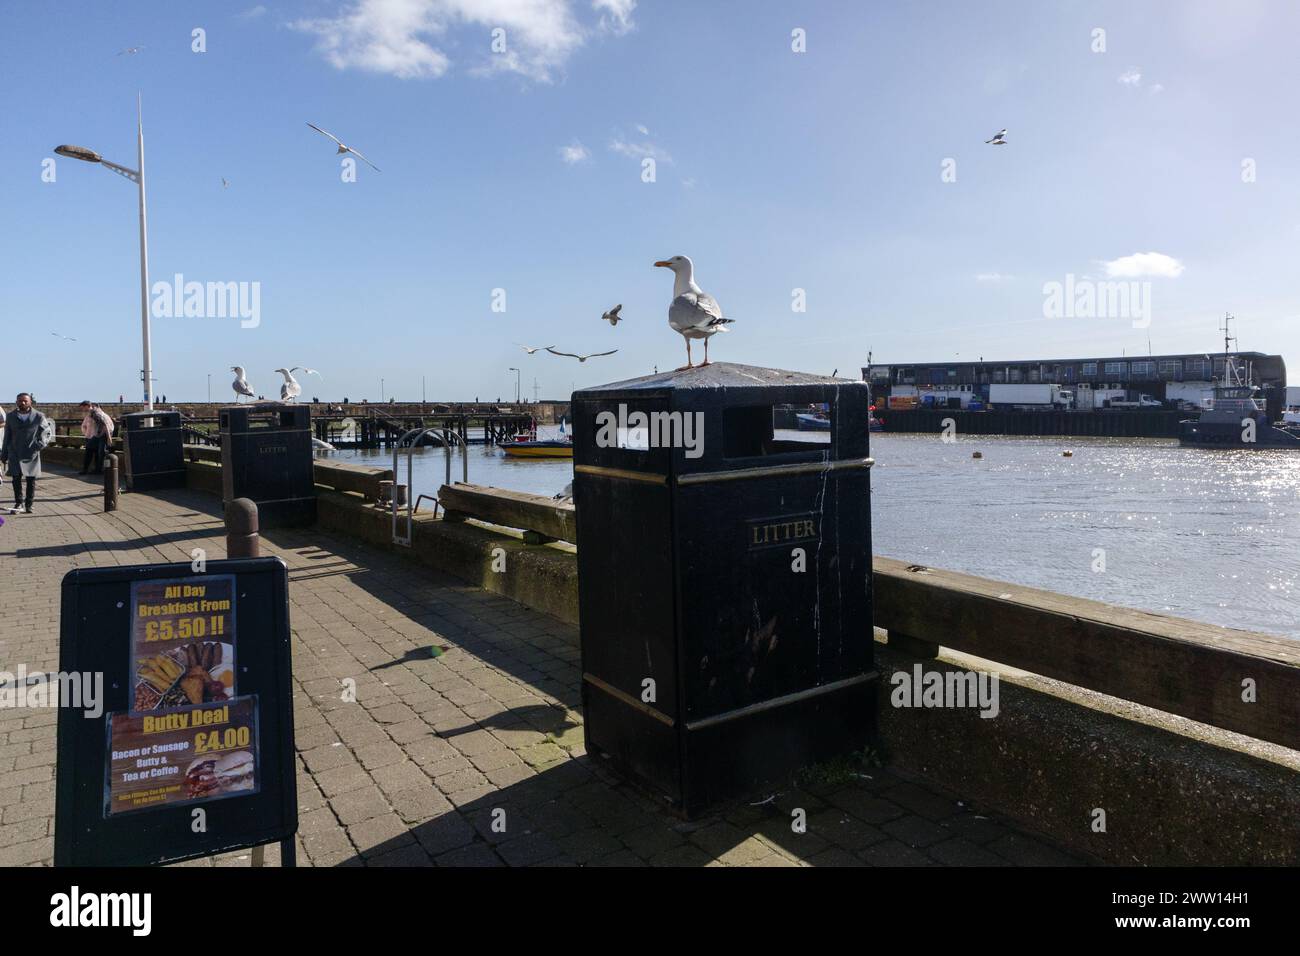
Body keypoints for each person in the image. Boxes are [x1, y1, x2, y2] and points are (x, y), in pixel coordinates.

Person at [2, 393, 52, 514]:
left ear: (30, 402)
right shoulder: (11, 416)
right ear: (16, 402)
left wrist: (38, 445)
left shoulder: (39, 416)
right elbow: (7, 436)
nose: (22, 403)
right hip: (14, 452)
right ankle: (19, 503)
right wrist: (4, 453)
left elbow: (47, 433)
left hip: (31, 452)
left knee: (31, 480)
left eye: (25, 401)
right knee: (16, 479)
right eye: (20, 401)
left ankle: (29, 504)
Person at [78, 401, 114, 475]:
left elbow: (105, 424)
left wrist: (109, 438)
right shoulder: (92, 413)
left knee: (101, 452)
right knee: (90, 448)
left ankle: (98, 470)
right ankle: (90, 470)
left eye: (83, 408)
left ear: (87, 406)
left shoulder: (96, 413)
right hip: (98, 434)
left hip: (104, 434)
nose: (83, 410)